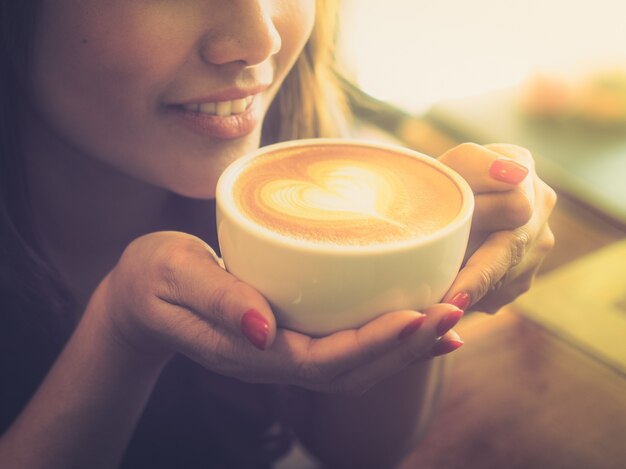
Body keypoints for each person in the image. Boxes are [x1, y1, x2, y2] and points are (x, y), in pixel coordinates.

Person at [0, 1, 556, 467]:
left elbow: (358, 454)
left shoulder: (309, 151)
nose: (259, 37)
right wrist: (121, 333)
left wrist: (424, 270)